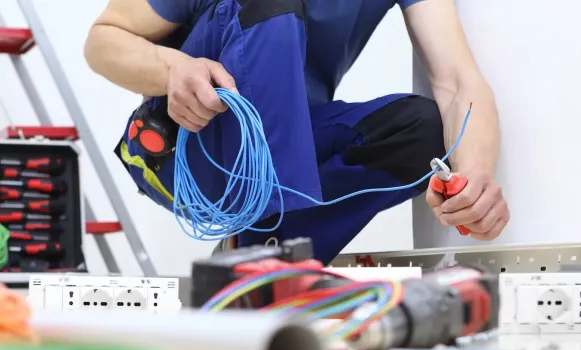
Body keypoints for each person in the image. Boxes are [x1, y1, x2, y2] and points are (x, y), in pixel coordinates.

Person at [85, 0, 509, 264]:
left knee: (423, 132)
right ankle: (262, 245)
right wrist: (173, 68)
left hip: (290, 149)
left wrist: (474, 179)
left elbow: (457, 82)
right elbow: (103, 40)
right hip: (188, 149)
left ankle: (273, 250)